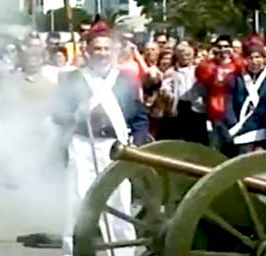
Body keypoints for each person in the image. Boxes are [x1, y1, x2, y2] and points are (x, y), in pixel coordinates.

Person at [52, 21, 150, 256]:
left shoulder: (125, 79)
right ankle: (74, 250)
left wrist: (137, 140)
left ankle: (122, 252)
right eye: (97, 49)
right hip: (83, 146)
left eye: (107, 49)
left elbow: (139, 115)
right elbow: (57, 114)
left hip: (116, 147)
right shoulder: (72, 79)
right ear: (87, 51)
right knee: (77, 201)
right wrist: (74, 114)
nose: (103, 54)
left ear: (113, 51)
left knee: (119, 202)